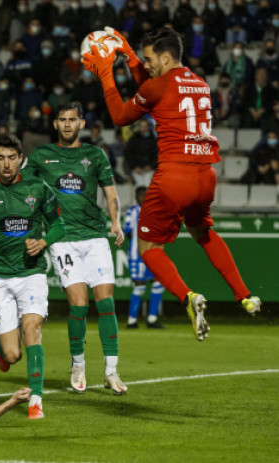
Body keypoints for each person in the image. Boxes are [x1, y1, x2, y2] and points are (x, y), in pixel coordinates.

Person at [83, 26, 262, 342]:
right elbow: (157, 90)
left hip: (173, 176)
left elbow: (121, 116)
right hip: (205, 176)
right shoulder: (199, 82)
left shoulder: (158, 86)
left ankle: (187, 297)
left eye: (150, 58)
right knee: (203, 232)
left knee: (149, 247)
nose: (147, 64)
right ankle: (244, 295)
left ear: (165, 56)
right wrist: (132, 57)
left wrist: (106, 75)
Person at [23, 101, 127, 395]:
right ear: (54, 124)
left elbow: (110, 193)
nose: (68, 124)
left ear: (82, 123)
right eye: (62, 120)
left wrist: (115, 223)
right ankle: (78, 364)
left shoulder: (95, 154)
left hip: (94, 237)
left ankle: (111, 371)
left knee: (106, 303)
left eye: (73, 119)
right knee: (78, 305)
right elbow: (25, 191)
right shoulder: (41, 155)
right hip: (63, 239)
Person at [0, 134, 64, 419]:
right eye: (0, 158)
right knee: (12, 356)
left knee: (32, 328)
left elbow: (59, 226)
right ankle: (0, 340)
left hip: (32, 273)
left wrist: (43, 242)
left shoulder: (38, 187)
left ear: (20, 159)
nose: (6, 164)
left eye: (11, 158)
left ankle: (36, 400)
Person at [124, 186, 164, 329]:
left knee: (158, 282)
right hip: (137, 255)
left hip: (152, 253)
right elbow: (127, 231)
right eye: (141, 195)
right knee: (139, 285)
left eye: (145, 195)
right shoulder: (132, 211)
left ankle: (152, 319)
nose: (143, 198)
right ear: (136, 197)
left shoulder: (155, 211)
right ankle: (132, 321)